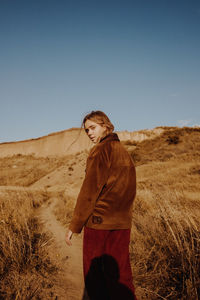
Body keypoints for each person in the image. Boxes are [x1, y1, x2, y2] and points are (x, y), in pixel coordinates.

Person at [66, 111, 137, 300]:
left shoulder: (100, 151)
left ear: (106, 126)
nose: (89, 133)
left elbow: (89, 192)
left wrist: (75, 225)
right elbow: (130, 190)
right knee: (121, 274)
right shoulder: (123, 151)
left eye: (93, 128)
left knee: (94, 274)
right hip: (122, 223)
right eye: (86, 130)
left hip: (98, 223)